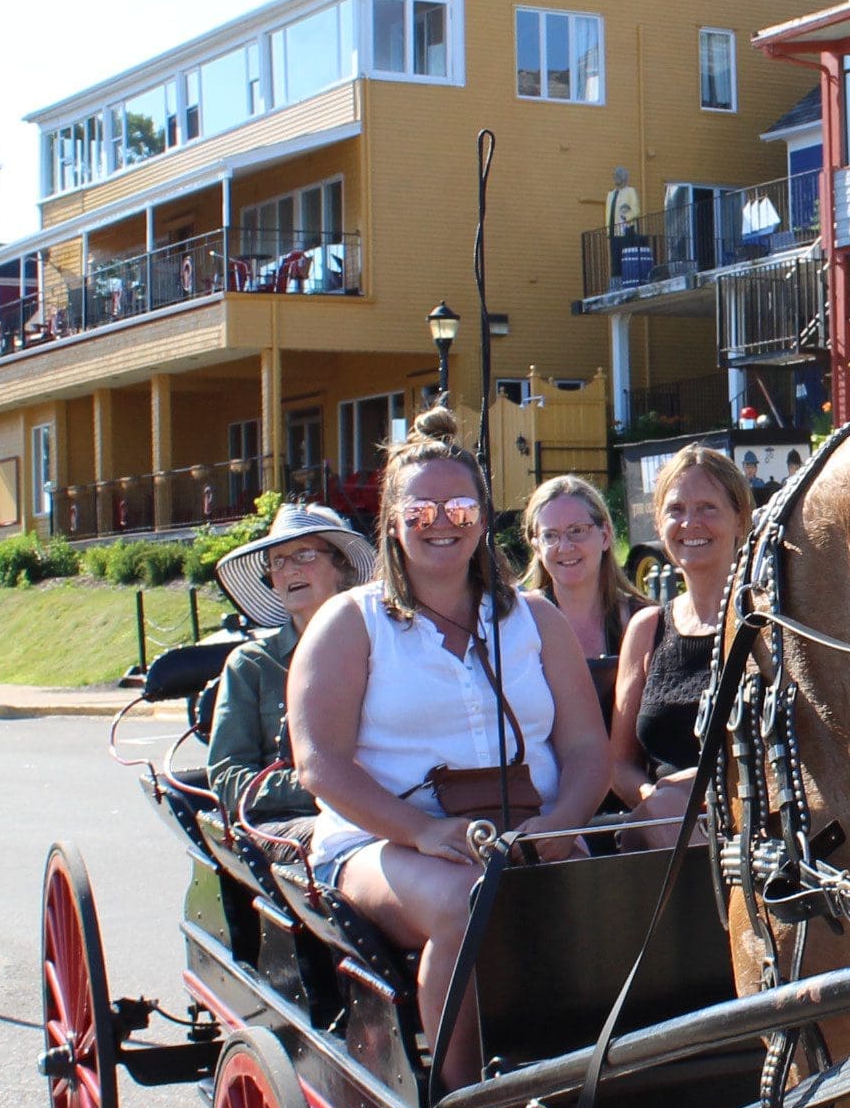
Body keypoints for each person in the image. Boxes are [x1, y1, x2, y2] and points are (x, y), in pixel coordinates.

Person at [291, 409, 610, 1063]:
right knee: (468, 904)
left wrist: (560, 824)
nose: (442, 522)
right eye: (422, 510)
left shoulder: (537, 621)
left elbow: (585, 749)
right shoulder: (350, 624)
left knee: (621, 902)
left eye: (461, 508)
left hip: (527, 832)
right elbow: (319, 763)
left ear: (484, 518)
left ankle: (599, 1086)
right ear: (391, 520)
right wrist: (424, 831)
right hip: (385, 843)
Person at [204, 503, 374, 838]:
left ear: (342, 567)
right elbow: (228, 779)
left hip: (389, 807)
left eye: (304, 555)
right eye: (277, 562)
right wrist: (318, 784)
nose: (288, 570)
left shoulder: (383, 649)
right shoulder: (251, 665)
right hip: (294, 821)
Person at [606, 445, 750, 838]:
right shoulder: (646, 629)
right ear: (658, 522)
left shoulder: (765, 625)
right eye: (676, 510)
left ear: (740, 520)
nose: (690, 523)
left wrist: (701, 794)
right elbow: (618, 766)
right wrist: (661, 805)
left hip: (751, 828)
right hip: (666, 833)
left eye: (707, 508)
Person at [518, 474, 642, 725]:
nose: (564, 546)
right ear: (536, 547)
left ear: (605, 535)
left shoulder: (642, 620)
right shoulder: (517, 623)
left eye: (577, 531)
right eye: (550, 536)